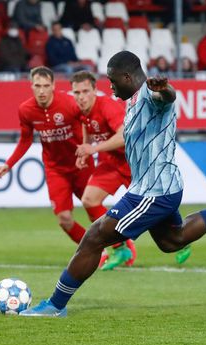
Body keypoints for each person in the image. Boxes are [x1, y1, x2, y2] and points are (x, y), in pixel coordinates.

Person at [20, 51, 206, 317]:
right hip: (162, 187)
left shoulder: (148, 95)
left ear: (127, 76)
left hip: (152, 192)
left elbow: (167, 98)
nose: (109, 86)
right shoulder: (131, 101)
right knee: (172, 240)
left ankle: (55, 305)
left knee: (94, 238)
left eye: (112, 80)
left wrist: (165, 89)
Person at [0, 66, 96, 246]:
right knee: (64, 219)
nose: (42, 91)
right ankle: (95, 250)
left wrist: (88, 147)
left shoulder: (70, 103)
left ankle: (121, 246)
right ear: (31, 86)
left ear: (53, 85)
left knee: (93, 206)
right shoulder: (26, 110)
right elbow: (25, 141)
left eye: (46, 86)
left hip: (81, 164)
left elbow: (90, 123)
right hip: (55, 169)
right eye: (37, 86)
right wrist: (9, 164)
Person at [70, 71, 137, 270]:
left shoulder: (108, 106)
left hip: (134, 160)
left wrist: (93, 149)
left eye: (85, 91)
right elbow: (86, 125)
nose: (81, 96)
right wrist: (84, 149)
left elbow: (123, 136)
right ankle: (120, 247)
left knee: (153, 209)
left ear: (94, 91)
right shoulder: (82, 109)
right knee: (89, 200)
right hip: (112, 161)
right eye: (77, 92)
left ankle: (180, 238)